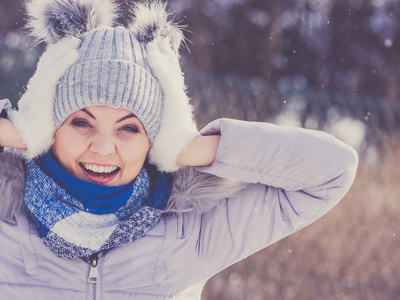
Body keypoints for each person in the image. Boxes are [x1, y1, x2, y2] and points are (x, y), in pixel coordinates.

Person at [0, 0, 358, 299]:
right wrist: (19, 132)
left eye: (130, 128)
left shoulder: (191, 230)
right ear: (50, 129)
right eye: (81, 122)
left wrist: (189, 149)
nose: (104, 148)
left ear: (154, 140)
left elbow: (332, 170)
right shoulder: (7, 219)